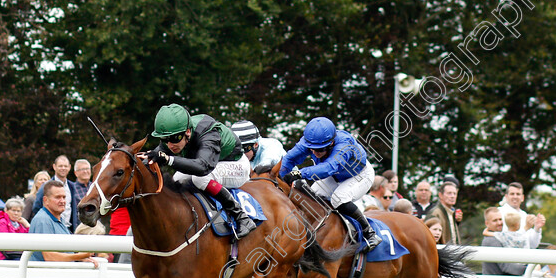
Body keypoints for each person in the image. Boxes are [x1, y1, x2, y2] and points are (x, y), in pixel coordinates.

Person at [146, 104, 255, 239]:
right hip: (212, 163)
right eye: (165, 139)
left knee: (200, 179)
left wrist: (168, 159)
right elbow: (158, 153)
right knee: (176, 179)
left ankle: (241, 217)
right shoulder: (176, 131)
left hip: (236, 165)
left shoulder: (208, 135)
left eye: (174, 139)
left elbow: (202, 167)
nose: (170, 145)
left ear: (188, 132)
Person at [279, 116, 381, 250]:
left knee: (339, 199)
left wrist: (299, 173)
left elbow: (329, 167)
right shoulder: (309, 142)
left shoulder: (344, 144)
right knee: (311, 196)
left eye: (320, 149)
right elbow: (289, 159)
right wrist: (279, 178)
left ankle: (369, 233)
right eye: (312, 149)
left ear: (331, 143)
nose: (315, 152)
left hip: (359, 175)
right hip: (335, 176)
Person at [0, 197, 30, 278]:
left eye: (19, 211)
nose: (16, 213)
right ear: (6, 210)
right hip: (3, 256)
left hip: (16, 255)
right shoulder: (2, 222)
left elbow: (30, 240)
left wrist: (27, 225)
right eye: (13, 210)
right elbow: (5, 243)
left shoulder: (20, 224)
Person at [33, 155, 81, 231]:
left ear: (69, 167)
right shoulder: (46, 186)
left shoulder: (72, 186)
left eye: (65, 166)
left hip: (69, 229)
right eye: (60, 166)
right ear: (54, 167)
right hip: (51, 227)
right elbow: (36, 207)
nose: (63, 168)